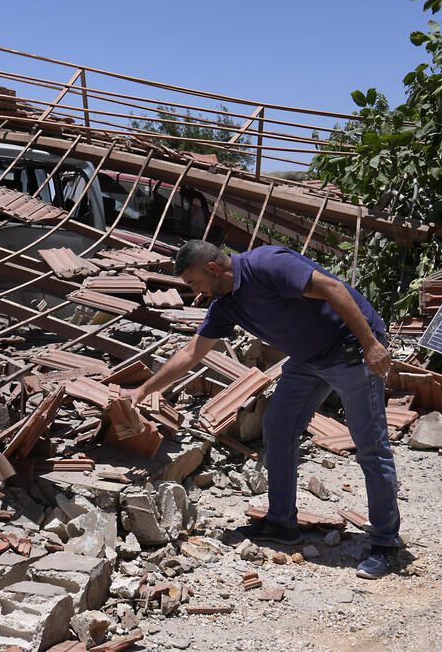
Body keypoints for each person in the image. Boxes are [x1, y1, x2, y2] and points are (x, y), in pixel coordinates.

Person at [124, 241, 401, 578]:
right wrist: (142, 390)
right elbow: (191, 353)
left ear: (213, 269)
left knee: (370, 446)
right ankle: (281, 522)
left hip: (350, 349)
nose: (194, 291)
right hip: (308, 359)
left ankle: (386, 544)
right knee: (279, 427)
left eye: (194, 282)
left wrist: (372, 345)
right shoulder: (226, 304)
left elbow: (333, 288)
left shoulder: (267, 265)